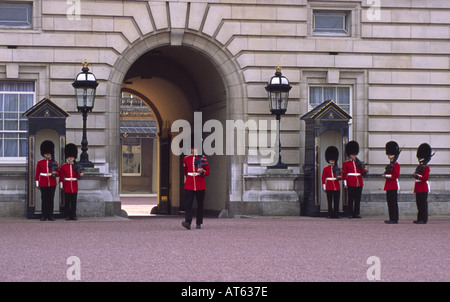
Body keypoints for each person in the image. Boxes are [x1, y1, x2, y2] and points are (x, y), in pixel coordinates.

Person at [181, 142, 210, 230]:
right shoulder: (186, 159)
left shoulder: (203, 158)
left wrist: (202, 172)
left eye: (195, 149)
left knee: (200, 204)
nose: (193, 150)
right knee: (188, 204)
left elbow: (207, 171)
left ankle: (198, 222)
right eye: (192, 149)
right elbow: (185, 171)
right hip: (189, 184)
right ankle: (188, 222)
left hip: (200, 184)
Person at [342, 141, 368, 218]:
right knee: (350, 199)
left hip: (359, 182)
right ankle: (350, 213)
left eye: (354, 154)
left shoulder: (359, 163)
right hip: (351, 182)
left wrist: (364, 170)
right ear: (349, 155)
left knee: (357, 199)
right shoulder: (346, 163)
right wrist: (345, 183)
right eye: (352, 154)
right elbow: (344, 174)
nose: (353, 156)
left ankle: (356, 213)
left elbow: (362, 174)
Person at [35, 140, 59, 221]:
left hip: (52, 183)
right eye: (46, 153)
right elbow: (37, 174)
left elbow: (58, 174)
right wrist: (37, 184)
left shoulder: (54, 162)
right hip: (43, 182)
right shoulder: (40, 163)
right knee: (44, 199)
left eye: (49, 152)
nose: (47, 154)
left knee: (51, 199)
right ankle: (44, 215)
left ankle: (50, 215)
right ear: (43, 153)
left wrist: (55, 173)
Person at [59, 143, 84, 220]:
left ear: (74, 157)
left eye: (72, 157)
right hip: (67, 185)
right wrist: (61, 186)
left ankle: (73, 215)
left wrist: (80, 174)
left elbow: (78, 177)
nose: (70, 159)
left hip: (74, 185)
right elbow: (61, 177)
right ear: (67, 157)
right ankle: (67, 215)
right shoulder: (64, 166)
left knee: (73, 202)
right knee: (67, 202)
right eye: (69, 157)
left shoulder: (77, 166)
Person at [413, 143, 433, 224]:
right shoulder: (419, 167)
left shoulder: (426, 167)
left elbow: (425, 178)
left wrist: (417, 176)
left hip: (423, 187)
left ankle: (424, 219)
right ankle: (419, 218)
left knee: (423, 204)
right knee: (418, 204)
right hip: (418, 187)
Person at [382, 141, 401, 224]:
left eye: (390, 154)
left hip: (393, 185)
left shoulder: (396, 164)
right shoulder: (390, 164)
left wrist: (387, 176)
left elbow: (396, 175)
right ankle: (391, 218)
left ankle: (395, 218)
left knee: (393, 203)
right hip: (389, 185)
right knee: (390, 203)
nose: (388, 155)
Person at [322, 146, 342, 218]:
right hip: (329, 186)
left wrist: (340, 177)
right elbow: (323, 178)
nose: (332, 161)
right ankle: (330, 214)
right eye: (331, 160)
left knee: (336, 202)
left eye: (333, 160)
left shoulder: (337, 168)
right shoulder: (326, 168)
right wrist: (324, 187)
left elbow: (341, 176)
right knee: (329, 202)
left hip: (336, 186)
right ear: (328, 160)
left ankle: (336, 214)